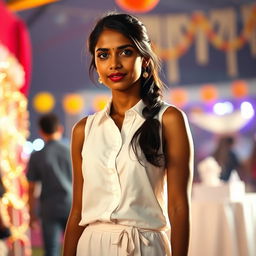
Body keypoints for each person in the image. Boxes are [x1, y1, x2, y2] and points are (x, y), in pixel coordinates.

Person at [63, 13, 194, 256]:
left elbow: (179, 208)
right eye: (103, 55)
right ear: (96, 63)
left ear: (144, 59)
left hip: (144, 247)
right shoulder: (84, 129)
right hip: (91, 247)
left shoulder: (169, 120)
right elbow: (77, 212)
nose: (114, 63)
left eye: (125, 52)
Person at [27, 113, 72, 256]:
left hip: (49, 208)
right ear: (60, 128)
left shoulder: (37, 156)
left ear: (41, 132)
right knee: (75, 248)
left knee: (51, 250)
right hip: (72, 206)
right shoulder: (71, 151)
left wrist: (32, 214)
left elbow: (32, 188)